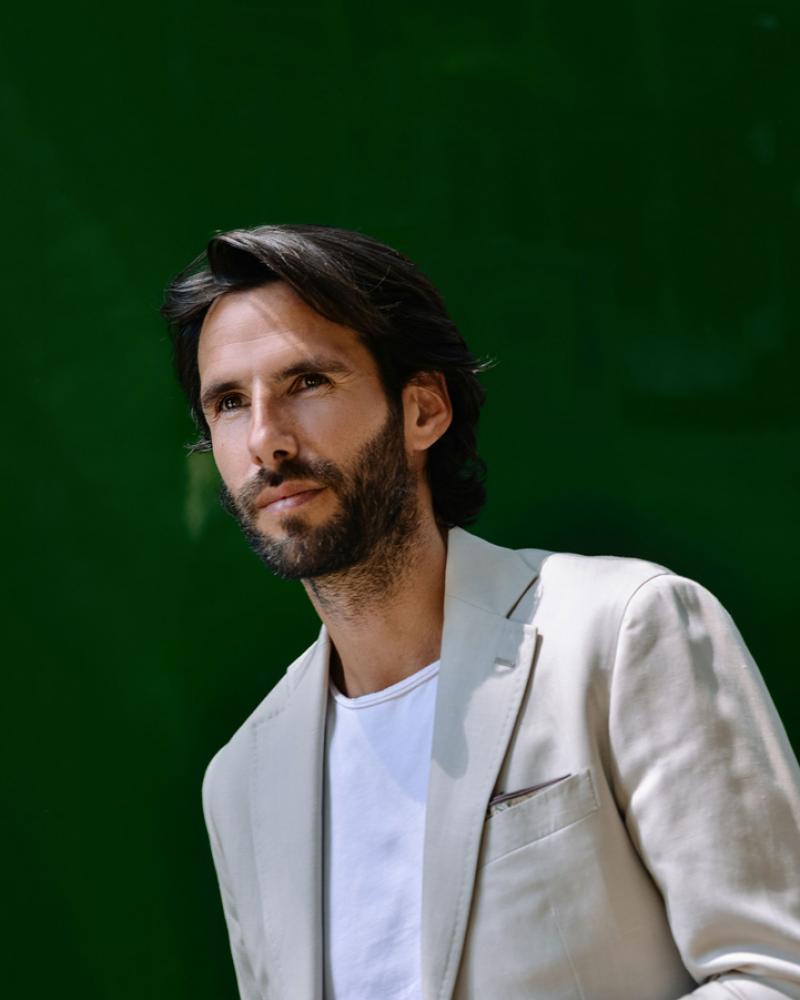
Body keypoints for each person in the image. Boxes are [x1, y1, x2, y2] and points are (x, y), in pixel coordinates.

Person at [162, 225, 800, 1000]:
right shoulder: (243, 781)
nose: (266, 439)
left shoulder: (623, 630)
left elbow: (774, 974)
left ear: (423, 409)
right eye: (230, 402)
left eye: (308, 382)